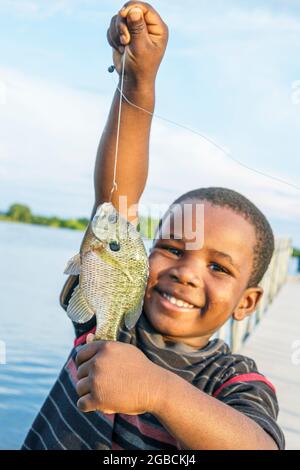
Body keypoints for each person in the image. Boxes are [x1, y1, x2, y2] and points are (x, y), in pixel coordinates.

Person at [22, 2, 285, 450]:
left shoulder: (233, 380)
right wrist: (136, 82)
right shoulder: (112, 319)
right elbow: (115, 202)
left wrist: (158, 390)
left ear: (248, 302)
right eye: (172, 249)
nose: (186, 272)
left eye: (219, 268)